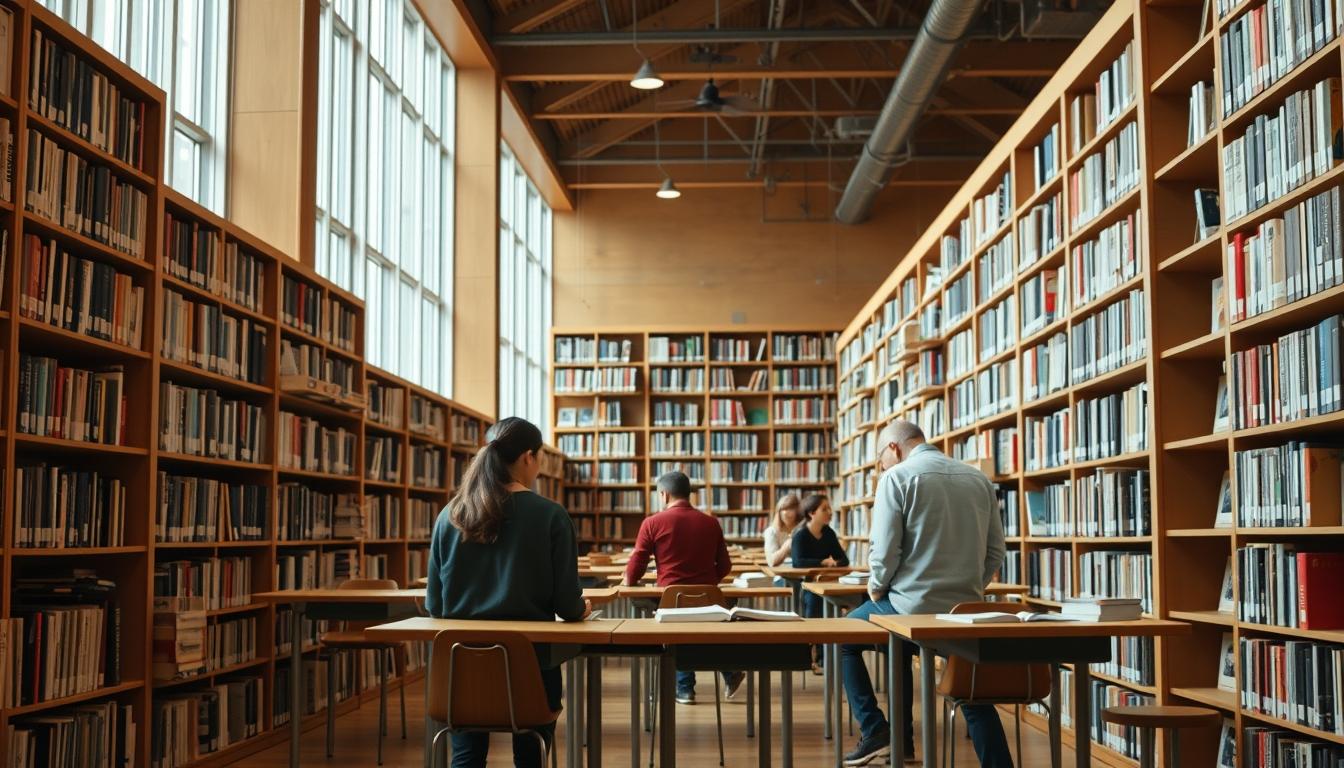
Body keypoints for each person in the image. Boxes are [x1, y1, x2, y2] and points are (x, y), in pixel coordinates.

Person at [841, 420, 1010, 768]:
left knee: (846, 638)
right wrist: (970, 589)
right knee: (970, 688)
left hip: (908, 604)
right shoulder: (978, 479)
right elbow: (996, 552)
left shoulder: (896, 477)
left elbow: (885, 552)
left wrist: (876, 588)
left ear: (893, 448)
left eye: (879, 458)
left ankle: (877, 732)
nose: (880, 467)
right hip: (965, 609)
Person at [425, 417, 591, 768]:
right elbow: (568, 605)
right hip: (530, 667)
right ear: (528, 457)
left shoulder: (450, 515)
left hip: (461, 668)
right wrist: (581, 609)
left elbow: (435, 605)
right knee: (531, 752)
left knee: (467, 757)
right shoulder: (551, 515)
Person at [623, 471, 745, 705]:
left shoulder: (652, 523)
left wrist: (629, 580)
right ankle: (726, 672)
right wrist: (707, 585)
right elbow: (726, 566)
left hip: (670, 600)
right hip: (709, 600)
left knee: (676, 625)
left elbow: (636, 565)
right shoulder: (711, 522)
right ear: (688, 494)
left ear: (664, 494)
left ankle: (685, 688)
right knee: (694, 627)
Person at [791, 493, 849, 672]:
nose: (830, 512)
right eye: (825, 509)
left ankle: (826, 656)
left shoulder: (829, 533)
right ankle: (811, 656)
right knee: (814, 604)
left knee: (834, 605)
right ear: (811, 513)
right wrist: (823, 562)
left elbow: (843, 560)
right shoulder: (800, 535)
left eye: (829, 508)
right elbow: (797, 562)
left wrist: (834, 563)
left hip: (828, 585)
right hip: (808, 585)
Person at [763, 493, 802, 569]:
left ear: (798, 511)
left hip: (803, 572)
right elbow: (772, 562)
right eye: (782, 509)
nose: (785, 513)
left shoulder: (803, 530)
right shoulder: (771, 532)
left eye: (790, 509)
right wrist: (787, 545)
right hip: (781, 575)